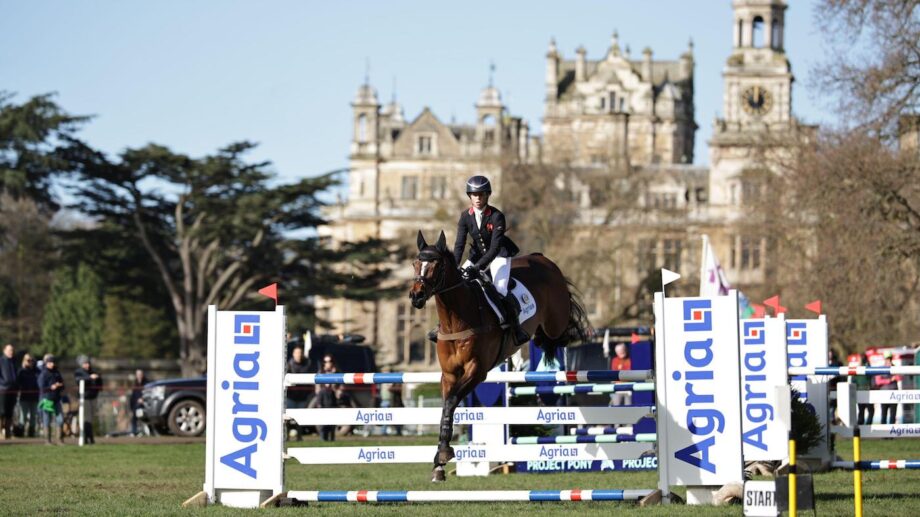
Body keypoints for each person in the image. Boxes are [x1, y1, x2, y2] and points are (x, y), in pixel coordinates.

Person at [441, 174, 528, 345]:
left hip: (499, 255)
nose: (478, 198)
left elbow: (495, 247)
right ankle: (443, 325)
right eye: (474, 195)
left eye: (481, 195)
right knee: (455, 284)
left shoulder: (497, 216)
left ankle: (515, 328)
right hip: (477, 255)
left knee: (500, 289)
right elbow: (459, 245)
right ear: (470, 196)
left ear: (487, 195)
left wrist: (478, 267)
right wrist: (454, 267)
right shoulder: (465, 216)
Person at [74, 355, 103, 444]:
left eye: (88, 363)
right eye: (85, 363)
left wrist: (98, 382)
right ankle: (88, 438)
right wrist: (90, 378)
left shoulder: (93, 371)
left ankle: (89, 438)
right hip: (84, 398)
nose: (87, 365)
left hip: (93, 397)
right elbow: (78, 380)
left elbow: (99, 382)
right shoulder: (78, 372)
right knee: (87, 419)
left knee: (91, 418)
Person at [285, 346, 312, 440]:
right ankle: (286, 436)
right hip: (290, 396)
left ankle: (299, 436)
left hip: (303, 396)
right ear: (293, 354)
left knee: (300, 418)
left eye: (300, 353)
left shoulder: (307, 364)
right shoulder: (288, 365)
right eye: (296, 353)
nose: (298, 355)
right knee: (288, 418)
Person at [38, 355, 65, 445]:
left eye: (53, 362)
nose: (51, 364)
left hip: (57, 399)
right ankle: (47, 440)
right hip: (47, 400)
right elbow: (41, 387)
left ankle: (59, 440)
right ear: (46, 363)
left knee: (60, 419)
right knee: (47, 420)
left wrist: (59, 385)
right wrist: (51, 387)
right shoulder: (43, 374)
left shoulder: (57, 372)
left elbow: (63, 384)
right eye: (49, 363)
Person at [315, 354, 338, 441]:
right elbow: (317, 388)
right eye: (326, 362)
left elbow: (340, 388)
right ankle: (322, 439)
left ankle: (332, 439)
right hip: (322, 397)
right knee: (322, 422)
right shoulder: (320, 372)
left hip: (333, 398)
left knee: (332, 422)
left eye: (330, 361)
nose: (328, 363)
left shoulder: (337, 373)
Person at [17, 353, 40, 438]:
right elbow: (18, 382)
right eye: (28, 360)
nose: (30, 362)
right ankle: (21, 433)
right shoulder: (21, 371)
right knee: (23, 416)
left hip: (34, 397)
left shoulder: (36, 371)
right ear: (24, 361)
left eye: (32, 360)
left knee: (33, 416)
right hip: (24, 397)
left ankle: (31, 434)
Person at [0, 344, 18, 439]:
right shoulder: (1, 361)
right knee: (1, 412)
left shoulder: (13, 361)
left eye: (12, 350)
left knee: (9, 412)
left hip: (13, 390)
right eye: (9, 350)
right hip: (2, 390)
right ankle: (0, 432)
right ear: (4, 350)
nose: (11, 352)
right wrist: (3, 383)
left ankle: (7, 433)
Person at [876, 352, 898, 425]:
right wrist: (889, 380)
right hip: (884, 394)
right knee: (884, 415)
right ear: (885, 359)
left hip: (894, 394)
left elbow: (900, 377)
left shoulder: (895, 367)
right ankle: (883, 433)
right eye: (888, 358)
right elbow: (878, 381)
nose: (889, 360)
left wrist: (894, 374)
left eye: (890, 358)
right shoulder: (880, 369)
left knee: (893, 415)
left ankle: (891, 434)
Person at [609, 343, 633, 407]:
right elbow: (615, 373)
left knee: (629, 406)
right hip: (618, 387)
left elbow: (630, 372)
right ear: (617, 352)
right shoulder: (615, 360)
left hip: (628, 386)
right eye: (620, 351)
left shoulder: (630, 359)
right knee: (616, 406)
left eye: (623, 350)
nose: (622, 352)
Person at [129, 369, 147, 436]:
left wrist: (143, 399)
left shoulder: (147, 383)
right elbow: (133, 397)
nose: (139, 376)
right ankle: (134, 431)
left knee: (141, 417)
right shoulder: (135, 384)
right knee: (134, 418)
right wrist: (131, 407)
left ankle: (142, 431)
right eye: (138, 374)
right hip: (135, 406)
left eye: (140, 374)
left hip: (144, 405)